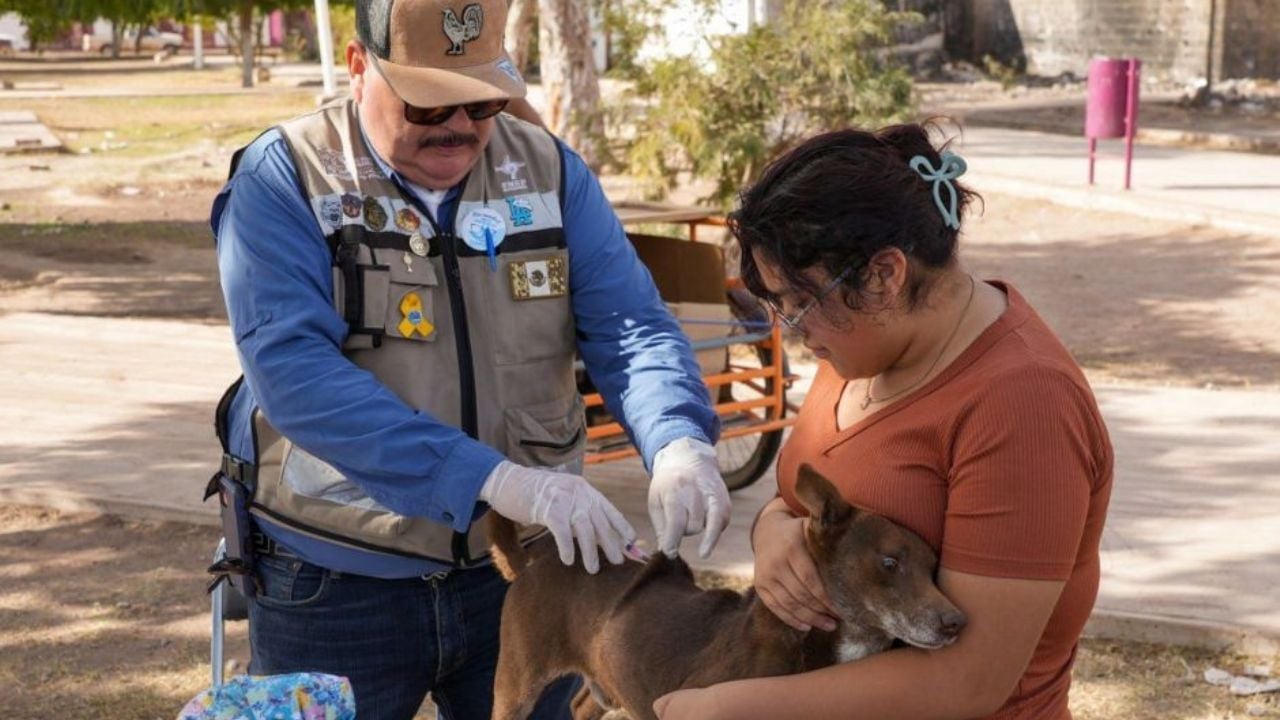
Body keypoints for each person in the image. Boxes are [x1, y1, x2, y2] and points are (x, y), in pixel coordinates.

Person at [209, 1, 730, 718]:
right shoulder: (287, 179)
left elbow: (629, 323)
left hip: (526, 575)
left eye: (483, 101)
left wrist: (676, 438)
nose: (461, 128)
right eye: (429, 106)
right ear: (360, 68)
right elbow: (296, 376)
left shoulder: (545, 168)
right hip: (333, 582)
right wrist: (489, 479)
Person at [654, 123, 1113, 719]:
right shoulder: (865, 344)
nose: (794, 329)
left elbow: (969, 680)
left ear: (884, 276)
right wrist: (773, 534)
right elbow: (805, 495)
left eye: (801, 302)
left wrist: (727, 708)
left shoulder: (1025, 406)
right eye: (780, 306)